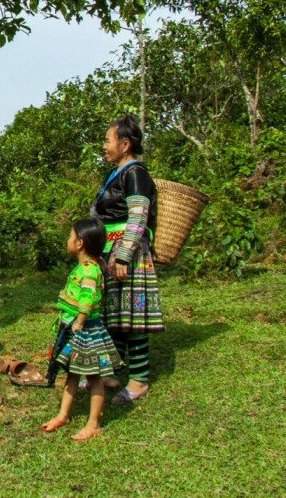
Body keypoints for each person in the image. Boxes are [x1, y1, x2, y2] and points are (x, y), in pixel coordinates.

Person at [91, 114, 164, 403]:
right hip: (111, 251)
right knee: (115, 314)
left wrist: (123, 256)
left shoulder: (136, 173)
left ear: (125, 144)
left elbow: (137, 216)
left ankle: (139, 380)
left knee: (134, 319)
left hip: (128, 254)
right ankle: (112, 371)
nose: (104, 146)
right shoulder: (118, 172)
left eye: (108, 141)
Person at [40, 217, 121, 441]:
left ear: (80, 243)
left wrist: (80, 320)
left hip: (85, 330)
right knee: (73, 374)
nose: (68, 240)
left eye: (70, 236)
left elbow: (87, 297)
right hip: (76, 326)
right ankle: (63, 415)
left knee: (94, 376)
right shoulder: (84, 267)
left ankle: (93, 424)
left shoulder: (89, 270)